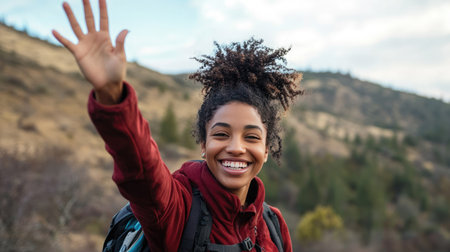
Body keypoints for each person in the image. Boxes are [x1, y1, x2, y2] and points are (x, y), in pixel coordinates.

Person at [53, 0, 303, 251]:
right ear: (204, 144)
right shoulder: (175, 208)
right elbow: (141, 172)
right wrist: (111, 96)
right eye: (221, 134)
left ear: (267, 149)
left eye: (251, 137)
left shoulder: (273, 225)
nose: (236, 147)